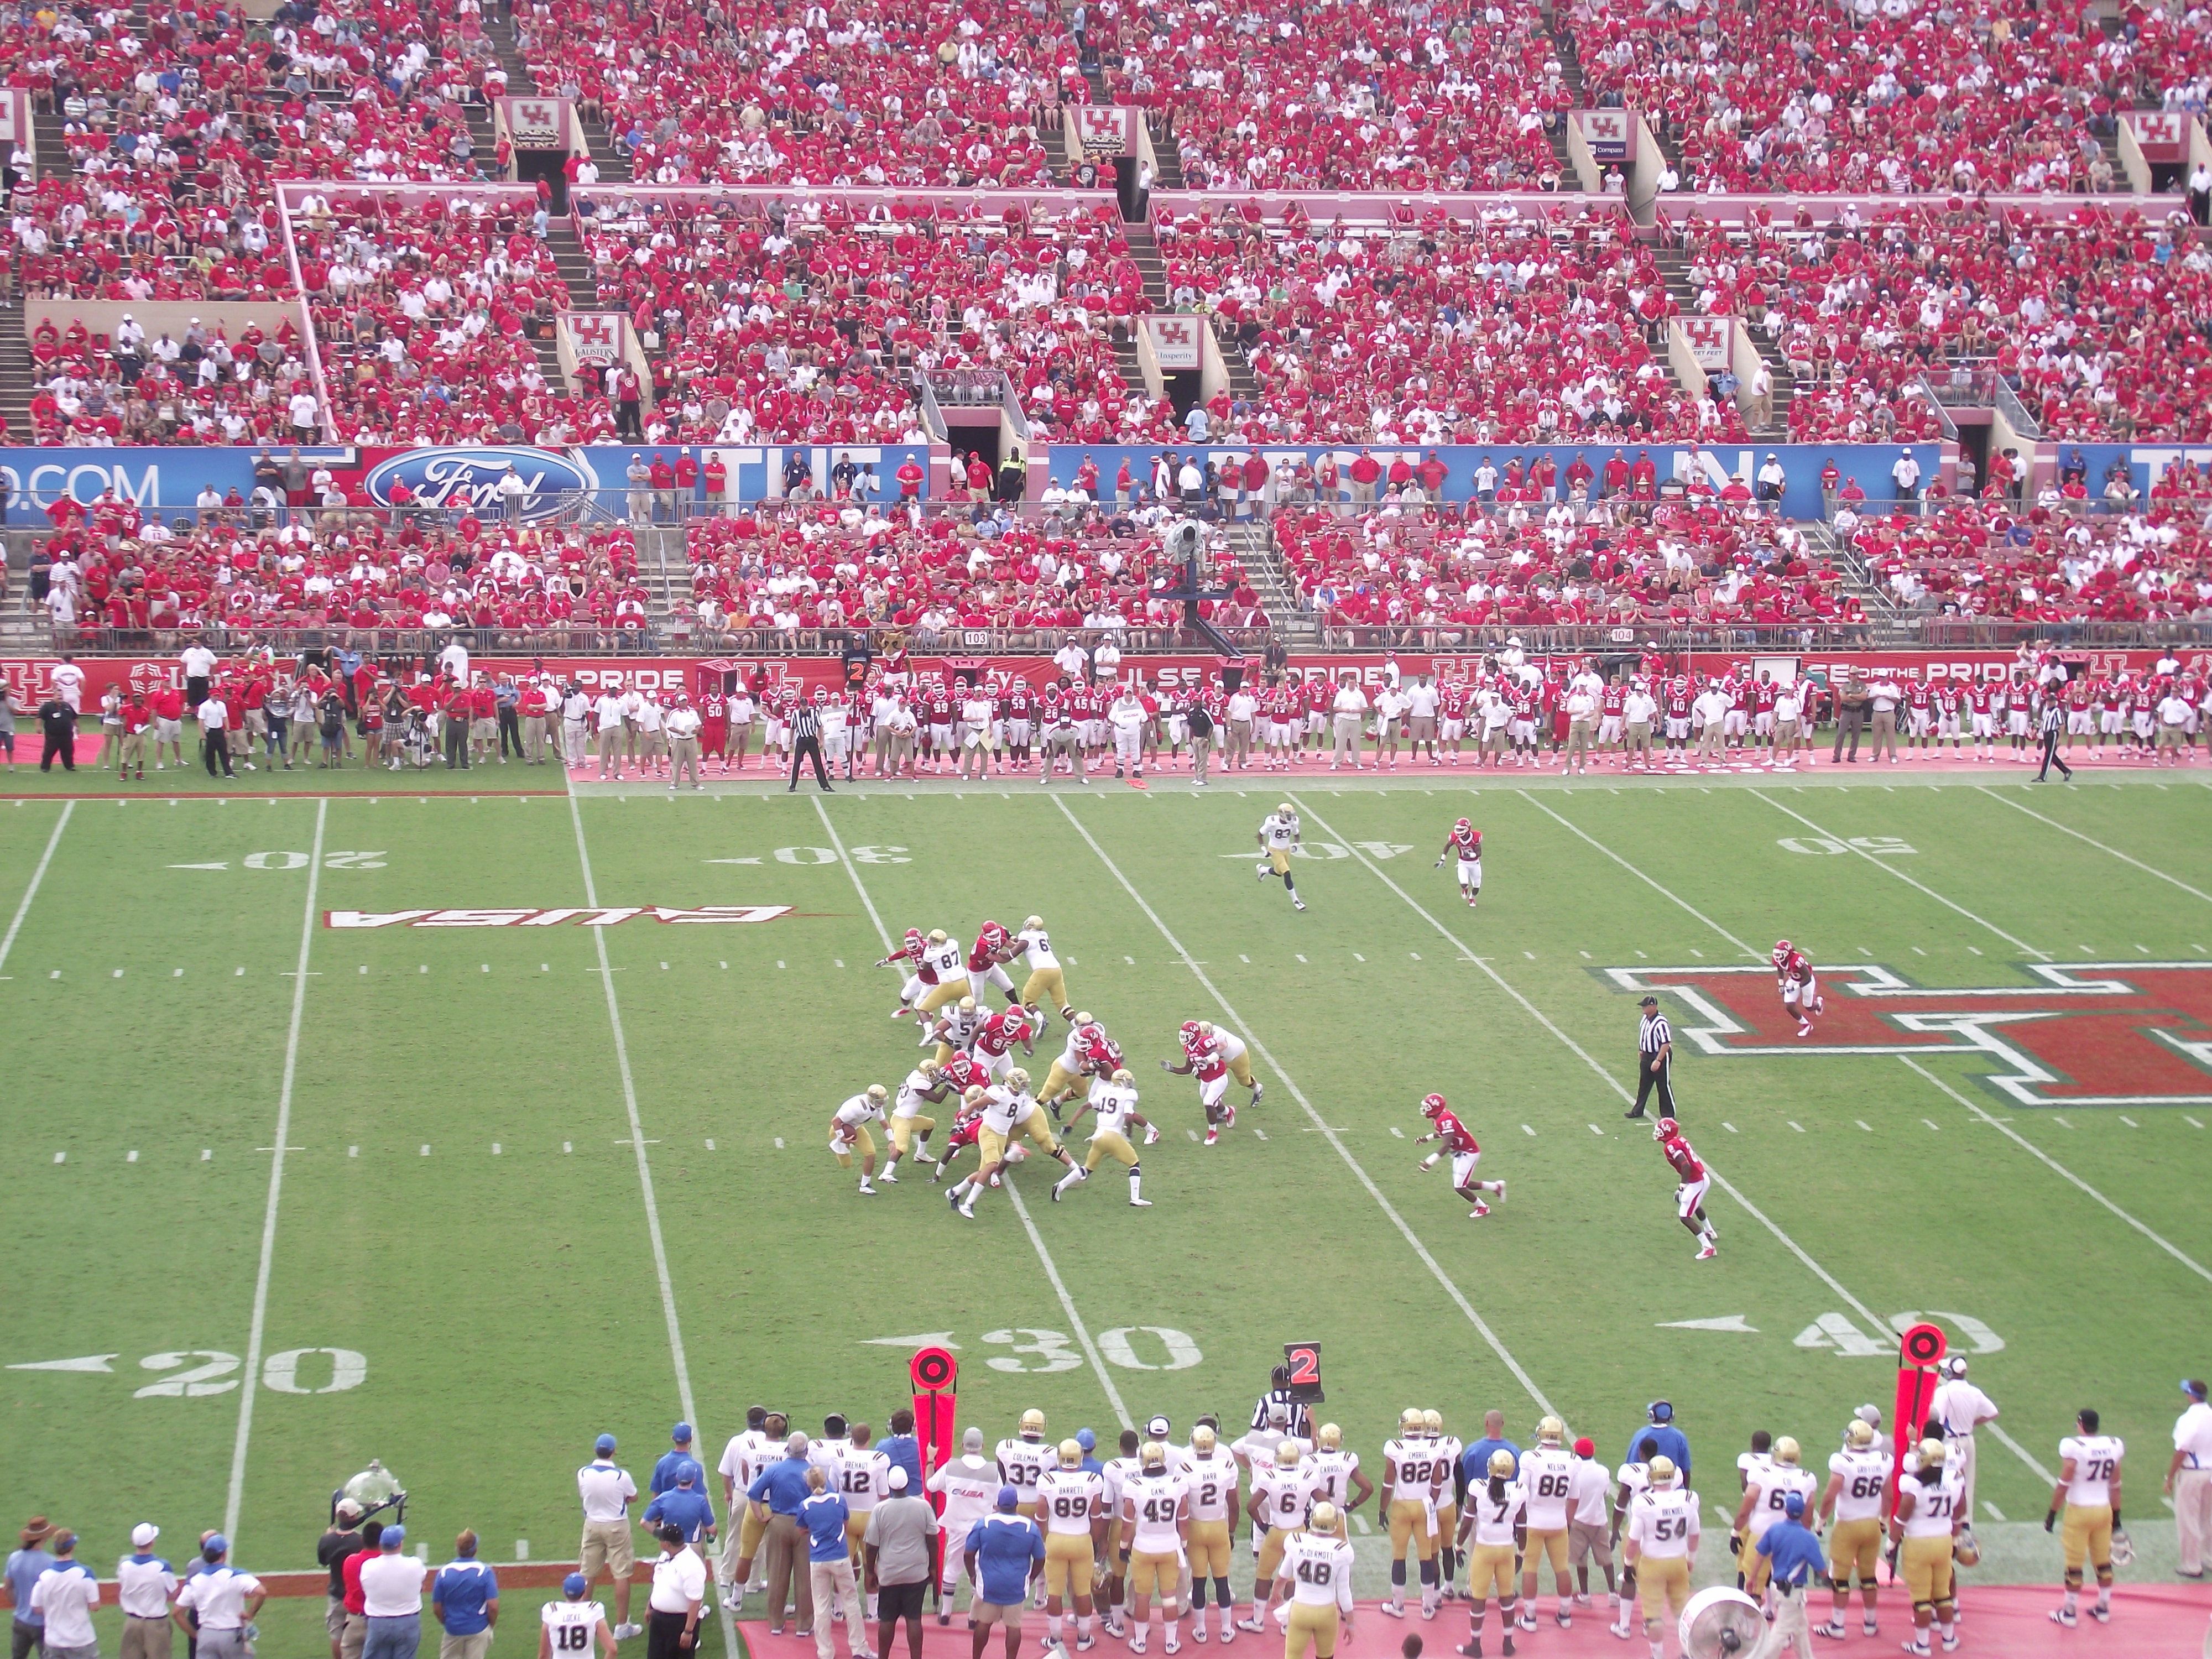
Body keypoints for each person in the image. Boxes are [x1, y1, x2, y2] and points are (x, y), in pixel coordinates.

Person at [2048, 1408, 2123, 1627]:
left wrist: (2052, 1513)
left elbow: (2063, 1484)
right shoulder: (2113, 1445)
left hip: (2079, 1511)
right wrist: (2117, 1517)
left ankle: (2070, 1612)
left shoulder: (2074, 1447)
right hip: (2104, 1510)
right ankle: (2103, 1607)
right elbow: (2116, 1485)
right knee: (2103, 1561)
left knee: (2074, 1563)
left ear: (2081, 1425)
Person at [1890, 1442, 1963, 1658]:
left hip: (1919, 1544)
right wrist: (1956, 1538)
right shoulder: (1952, 1482)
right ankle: (1949, 1639)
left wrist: (1891, 1544)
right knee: (1943, 1594)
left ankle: (1923, 1644)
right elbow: (1959, 1513)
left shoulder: (1913, 1487)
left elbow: (1901, 1520)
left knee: (1921, 1598)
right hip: (1943, 1541)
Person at [1622, 1455, 1697, 1653]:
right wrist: (1691, 1559)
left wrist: (1628, 1563)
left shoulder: (1645, 1502)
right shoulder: (1688, 1499)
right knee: (1682, 1612)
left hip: (1653, 1564)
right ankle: (1687, 1653)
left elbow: (1633, 1540)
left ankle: (1658, 1655)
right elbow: (1695, 1534)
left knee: (1654, 1615)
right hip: (1679, 1561)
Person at [865, 1466, 938, 1659]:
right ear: (907, 1485)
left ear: (890, 1486)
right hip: (916, 1572)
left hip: (889, 1572)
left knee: (887, 1619)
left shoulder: (880, 1509)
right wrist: (933, 1567)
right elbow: (933, 1540)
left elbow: (871, 1546)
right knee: (914, 1618)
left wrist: (870, 1571)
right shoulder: (923, 1506)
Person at [750, 1431, 819, 1636]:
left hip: (778, 1523)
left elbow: (754, 1494)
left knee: (776, 1574)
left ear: (787, 1449)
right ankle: (804, 1624)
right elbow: (827, 1496)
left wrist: (761, 1517)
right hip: (805, 1526)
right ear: (806, 1451)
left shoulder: (775, 1470)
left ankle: (776, 1622)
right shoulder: (812, 1471)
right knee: (805, 1577)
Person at [965, 1488, 1045, 1659]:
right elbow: (1040, 1558)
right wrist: (1031, 1578)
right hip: (1016, 1584)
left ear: (998, 1503)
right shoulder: (1030, 1527)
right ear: (1017, 1504)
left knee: (983, 1623)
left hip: (989, 1584)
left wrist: (972, 1575)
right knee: (1014, 1626)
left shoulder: (984, 1524)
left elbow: (968, 1553)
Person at [578, 1433, 642, 1640]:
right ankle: (622, 1626)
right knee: (621, 1574)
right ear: (613, 1452)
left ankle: (582, 1620)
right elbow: (633, 1496)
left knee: (588, 1572)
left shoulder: (583, 1473)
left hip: (592, 1525)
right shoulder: (621, 1476)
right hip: (617, 1526)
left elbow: (585, 1495)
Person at [1748, 1493, 1824, 1659]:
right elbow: (1821, 1570)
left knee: (1800, 1629)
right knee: (1781, 1632)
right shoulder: (1808, 1539)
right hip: (1792, 1592)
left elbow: (1760, 1554)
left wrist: (1752, 1579)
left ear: (1786, 1510)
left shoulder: (1775, 1530)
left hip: (1776, 1586)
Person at [1273, 1505, 1353, 1659]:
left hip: (1301, 1610)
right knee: (1325, 1656)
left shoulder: (1297, 1543)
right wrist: (1350, 1623)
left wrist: (1276, 1592)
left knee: (1293, 1656)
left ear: (1312, 1520)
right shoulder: (1341, 1550)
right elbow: (1344, 1592)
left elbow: (1282, 1576)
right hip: (1327, 1612)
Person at [171, 1537, 264, 1659]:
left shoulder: (195, 1581)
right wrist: (250, 1614)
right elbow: (261, 1592)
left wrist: (195, 1635)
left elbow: (177, 1613)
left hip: (206, 1636)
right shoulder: (236, 1575)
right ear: (224, 1554)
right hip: (232, 1635)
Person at [1929, 1358, 1999, 1519]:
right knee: (1967, 1483)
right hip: (1968, 1440)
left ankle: (1948, 1520)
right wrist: (1973, 1423)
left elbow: (1938, 1420)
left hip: (1950, 1442)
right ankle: (1966, 1522)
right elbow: (1993, 1412)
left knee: (1947, 1481)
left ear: (1949, 1372)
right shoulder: (1975, 1392)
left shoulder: (1943, 1392)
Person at [359, 1523, 427, 1659]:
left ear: (381, 1544)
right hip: (408, 1622)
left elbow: (365, 1588)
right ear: (400, 1544)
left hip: (378, 1624)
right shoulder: (415, 1564)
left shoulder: (368, 1566)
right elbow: (421, 1583)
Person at [27, 1531, 98, 1659]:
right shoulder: (85, 1573)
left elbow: (36, 1608)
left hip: (54, 1641)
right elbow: (95, 1606)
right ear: (72, 1547)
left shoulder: (44, 1576)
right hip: (81, 1639)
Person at [644, 1523, 707, 1659]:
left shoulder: (692, 1565)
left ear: (667, 1544)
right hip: (659, 1620)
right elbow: (658, 1583)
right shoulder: (664, 1557)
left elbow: (695, 1601)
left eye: (661, 1539)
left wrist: (688, 1631)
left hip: (679, 1622)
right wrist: (650, 1606)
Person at [431, 1532, 499, 1659]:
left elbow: (437, 1608)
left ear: (457, 1549)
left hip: (453, 1630)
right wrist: (490, 1626)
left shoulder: (444, 1572)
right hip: (479, 1628)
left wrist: (448, 1623)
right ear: (475, 1549)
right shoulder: (485, 1572)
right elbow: (493, 1607)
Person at [119, 1522, 180, 1659]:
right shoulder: (162, 1566)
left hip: (132, 1623)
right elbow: (174, 1593)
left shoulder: (124, 1566)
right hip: (156, 1624)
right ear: (152, 1542)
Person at [2172, 1380, 2212, 1578]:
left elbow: (2182, 1450)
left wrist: (2170, 1476)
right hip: (2211, 1472)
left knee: (2188, 1520)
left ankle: (2192, 1565)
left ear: (2190, 1396)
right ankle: (2209, 1558)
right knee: (2208, 1518)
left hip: (2192, 1473)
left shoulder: (2187, 1419)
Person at [9, 1516, 58, 1659]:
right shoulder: (50, 1562)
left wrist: (20, 1606)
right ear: (44, 1538)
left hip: (20, 1620)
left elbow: (8, 1587)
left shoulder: (14, 1558)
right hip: (43, 1623)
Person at [539, 1573, 617, 1659]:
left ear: (563, 1591)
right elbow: (612, 1650)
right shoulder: (594, 1610)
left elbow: (543, 1656)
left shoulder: (551, 1610)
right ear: (584, 1591)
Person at [1627, 997, 1674, 1120]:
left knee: (1663, 1085)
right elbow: (1644, 1035)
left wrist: (1658, 1060)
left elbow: (1666, 1043)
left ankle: (1668, 1114)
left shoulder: (1661, 1023)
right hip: (1646, 1054)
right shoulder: (1645, 1019)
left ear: (1653, 1007)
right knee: (1644, 1084)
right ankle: (1637, 1111)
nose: (1643, 1008)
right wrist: (1641, 1049)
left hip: (1659, 1055)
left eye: (1645, 1006)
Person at [1255, 803, 1307, 912]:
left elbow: (1297, 834)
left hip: (1286, 850)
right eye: (1288, 814)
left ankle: (1262, 870)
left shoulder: (1294, 822)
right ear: (1282, 814)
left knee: (1279, 873)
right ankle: (1296, 901)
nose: (1290, 817)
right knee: (1287, 873)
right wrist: (1264, 849)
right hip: (1275, 850)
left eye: (1291, 814)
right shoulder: (1272, 822)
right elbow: (1260, 834)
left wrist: (1296, 845)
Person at [787, 696, 833, 792]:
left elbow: (820, 727)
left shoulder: (813, 713)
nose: (804, 708)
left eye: (806, 705)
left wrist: (821, 740)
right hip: (801, 740)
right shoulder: (796, 714)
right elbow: (792, 728)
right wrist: (790, 740)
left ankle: (825, 785)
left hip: (812, 739)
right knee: (797, 763)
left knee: (817, 763)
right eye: (803, 706)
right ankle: (792, 786)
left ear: (808, 705)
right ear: (800, 705)